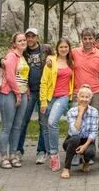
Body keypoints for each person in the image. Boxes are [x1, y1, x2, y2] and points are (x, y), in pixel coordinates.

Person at [16, 27, 51, 164]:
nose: (30, 39)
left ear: (37, 37)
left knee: (43, 122)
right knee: (23, 121)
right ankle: (18, 150)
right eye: (28, 37)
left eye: (32, 36)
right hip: (28, 91)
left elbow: (56, 60)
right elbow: (10, 55)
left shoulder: (46, 49)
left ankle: (42, 151)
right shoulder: (22, 51)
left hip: (43, 91)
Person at [40, 37, 75, 172]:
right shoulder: (51, 61)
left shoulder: (71, 61)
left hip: (63, 96)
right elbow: (44, 82)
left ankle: (54, 154)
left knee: (52, 122)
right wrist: (43, 101)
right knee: (46, 127)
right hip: (49, 97)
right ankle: (50, 154)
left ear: (69, 48)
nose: (64, 49)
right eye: (61, 47)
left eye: (66, 47)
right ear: (57, 48)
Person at [0, 32, 30, 169]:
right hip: (9, 93)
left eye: (24, 40)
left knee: (17, 126)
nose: (23, 42)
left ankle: (14, 154)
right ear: (14, 43)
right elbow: (10, 77)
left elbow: (22, 75)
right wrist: (17, 94)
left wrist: (25, 90)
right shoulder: (11, 56)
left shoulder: (22, 57)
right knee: (7, 127)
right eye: (20, 40)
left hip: (21, 93)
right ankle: (4, 157)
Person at [61, 85, 99, 179]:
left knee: (90, 152)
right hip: (72, 140)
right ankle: (66, 168)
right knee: (75, 139)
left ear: (90, 99)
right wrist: (80, 114)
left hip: (87, 140)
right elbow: (74, 132)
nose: (84, 99)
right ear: (77, 98)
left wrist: (85, 146)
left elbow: (94, 132)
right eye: (82, 96)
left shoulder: (94, 112)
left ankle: (86, 162)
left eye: (87, 97)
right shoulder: (71, 112)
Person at [72, 28, 99, 110]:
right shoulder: (74, 52)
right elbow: (60, 56)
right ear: (81, 39)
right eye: (85, 39)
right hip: (78, 92)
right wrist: (49, 58)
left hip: (95, 93)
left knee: (94, 121)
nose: (87, 41)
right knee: (75, 120)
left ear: (94, 39)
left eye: (90, 38)